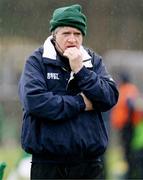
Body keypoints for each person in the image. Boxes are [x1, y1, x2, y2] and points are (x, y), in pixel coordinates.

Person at [18, 4, 119, 179]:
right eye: (66, 33)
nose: (72, 39)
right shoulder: (37, 62)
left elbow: (109, 97)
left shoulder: (92, 62)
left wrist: (81, 71)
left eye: (77, 34)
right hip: (47, 165)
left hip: (89, 164)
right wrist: (80, 103)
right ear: (54, 35)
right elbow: (35, 101)